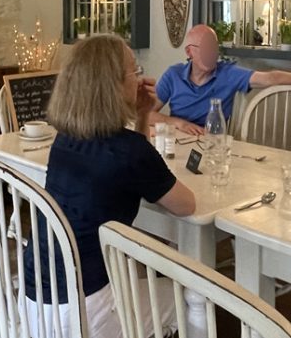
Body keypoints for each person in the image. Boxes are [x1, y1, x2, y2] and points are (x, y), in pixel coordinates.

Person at [24, 34, 195, 337]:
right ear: (113, 84)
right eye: (134, 70)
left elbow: (133, 164)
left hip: (35, 302)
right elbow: (186, 205)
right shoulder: (128, 151)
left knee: (142, 279)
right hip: (84, 311)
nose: (139, 77)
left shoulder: (65, 138)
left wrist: (142, 115)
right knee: (192, 294)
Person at [152, 24, 291, 135]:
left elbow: (269, 77)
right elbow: (146, 114)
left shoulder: (227, 74)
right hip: (176, 143)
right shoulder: (173, 75)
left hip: (211, 144)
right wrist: (179, 123)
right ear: (189, 52)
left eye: (214, 47)